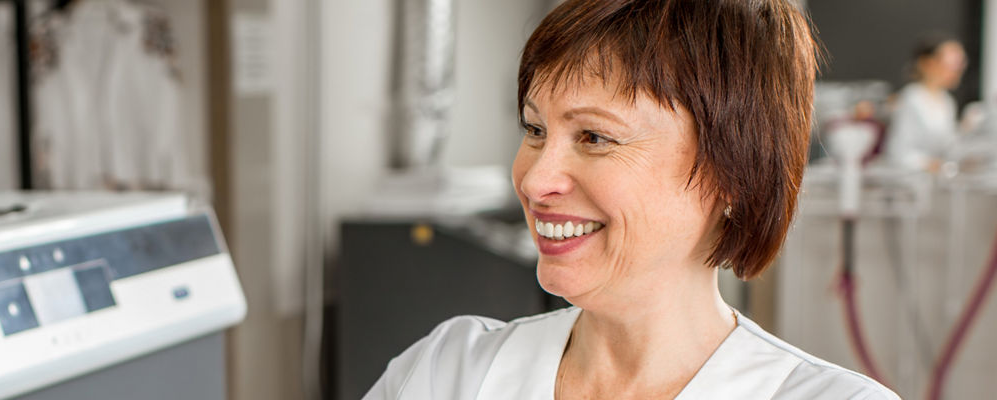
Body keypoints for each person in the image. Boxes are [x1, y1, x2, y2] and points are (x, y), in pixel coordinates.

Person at [363, 0, 898, 398]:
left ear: (734, 171)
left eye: (594, 137)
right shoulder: (447, 374)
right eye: (534, 129)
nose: (533, 180)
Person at [882, 35, 968, 173]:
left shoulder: (947, 101)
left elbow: (947, 147)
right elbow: (898, 152)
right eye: (952, 63)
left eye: (961, 63)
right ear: (928, 63)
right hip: (910, 182)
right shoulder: (911, 98)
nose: (958, 69)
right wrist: (928, 164)